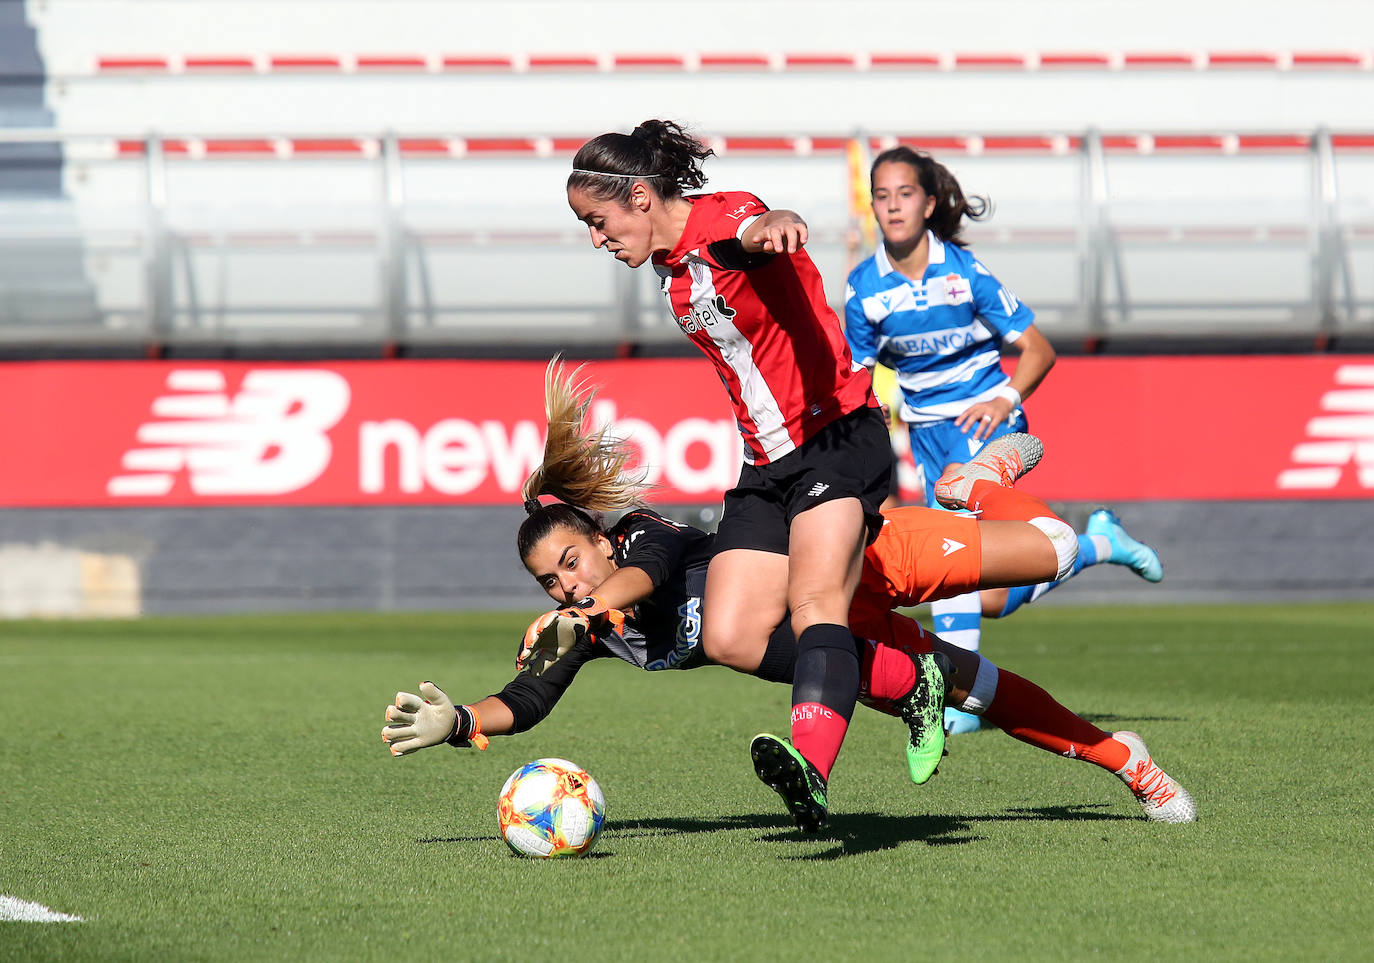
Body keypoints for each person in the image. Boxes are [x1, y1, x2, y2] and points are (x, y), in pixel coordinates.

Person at [381, 362, 1196, 826]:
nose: (567, 584)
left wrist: (591, 605)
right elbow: (527, 699)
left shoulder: (641, 540)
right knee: (981, 692)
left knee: (1053, 547)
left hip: (856, 562)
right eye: (550, 581)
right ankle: (1129, 760)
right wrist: (459, 720)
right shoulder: (587, 626)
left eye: (570, 561)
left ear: (599, 537)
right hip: (841, 648)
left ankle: (983, 478)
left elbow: (649, 575)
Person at [566, 120, 896, 829]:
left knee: (813, 600)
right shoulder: (667, 272)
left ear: (642, 197)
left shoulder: (727, 218)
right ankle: (908, 678)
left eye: (598, 221)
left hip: (835, 435)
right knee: (731, 635)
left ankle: (811, 766)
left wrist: (777, 224)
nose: (595, 239)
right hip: (764, 462)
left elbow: (747, 235)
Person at [844, 146, 1062, 734]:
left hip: (986, 427)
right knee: (983, 594)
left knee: (949, 564)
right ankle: (1094, 546)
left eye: (905, 194)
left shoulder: (964, 273)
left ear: (930, 202)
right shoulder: (863, 289)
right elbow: (859, 381)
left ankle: (957, 708)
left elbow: (1039, 349)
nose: (893, 207)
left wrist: (1003, 399)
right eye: (882, 196)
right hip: (928, 436)